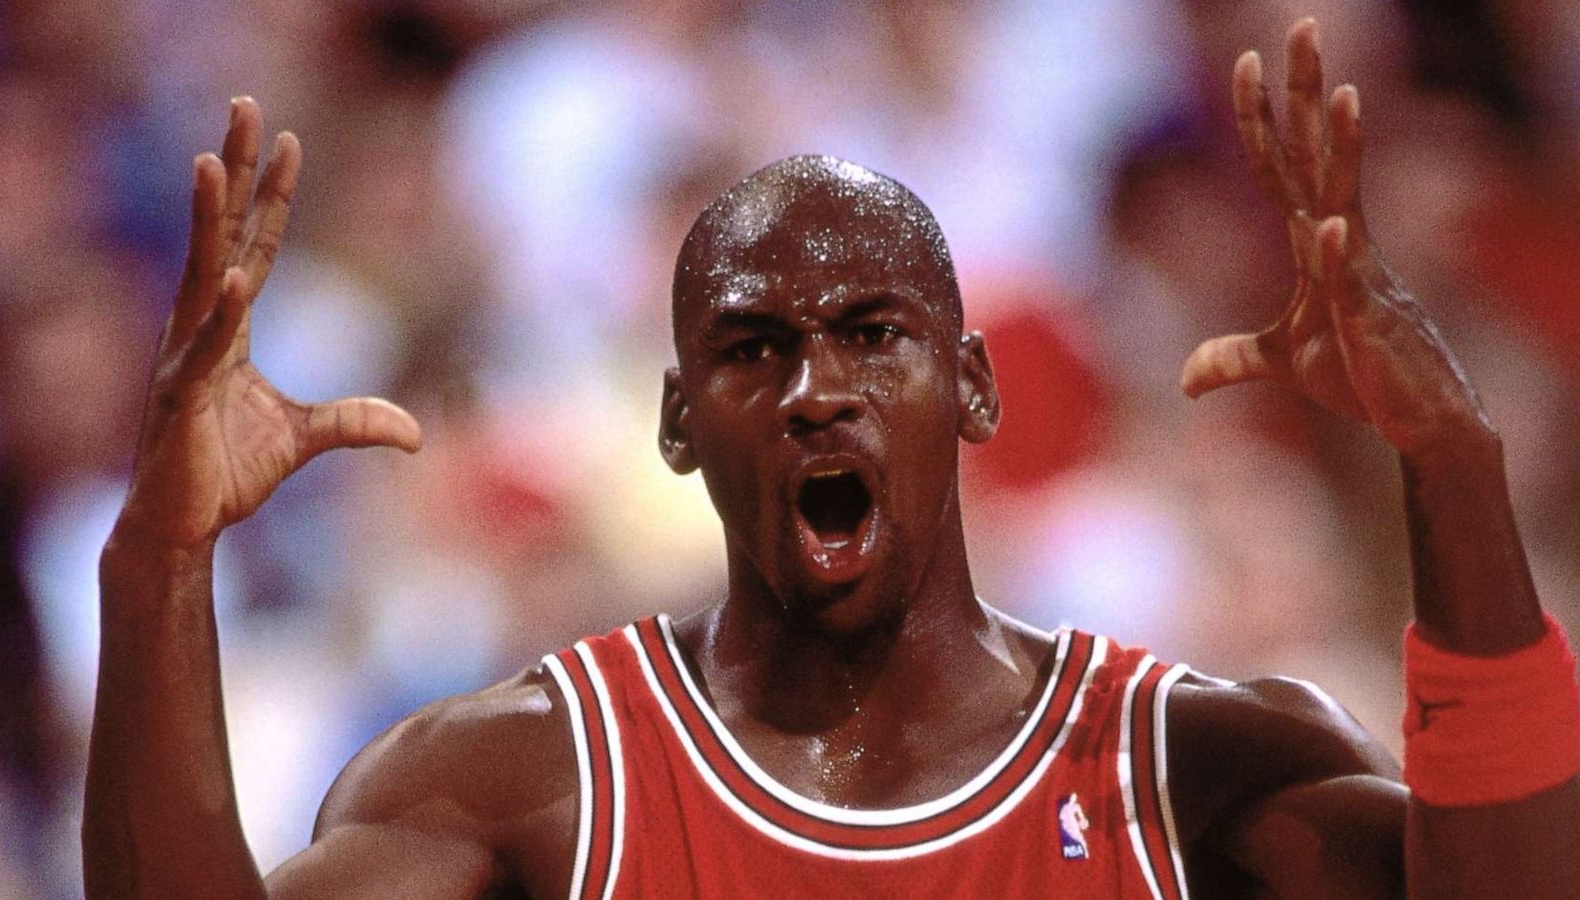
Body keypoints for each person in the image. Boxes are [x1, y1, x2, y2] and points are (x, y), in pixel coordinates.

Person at [84, 18, 1580, 899]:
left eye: (875, 335)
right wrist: (157, 565)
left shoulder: (1200, 766)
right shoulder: (519, 781)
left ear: (978, 389)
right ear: (676, 424)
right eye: (753, 350)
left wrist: (1450, 464)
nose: (816, 391)